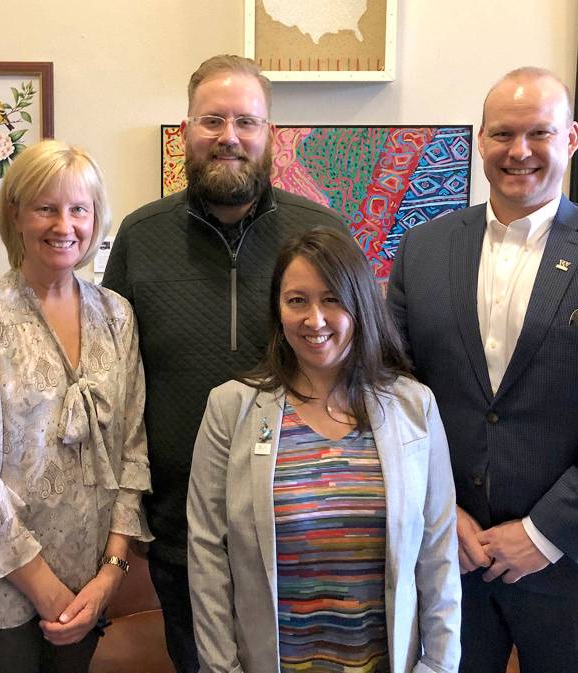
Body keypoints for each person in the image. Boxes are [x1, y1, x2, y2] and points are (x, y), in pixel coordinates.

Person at [387, 67, 578, 673]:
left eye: (539, 133)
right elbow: (394, 390)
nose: (518, 151)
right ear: (481, 139)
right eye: (502, 134)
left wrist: (544, 532)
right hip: (452, 556)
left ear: (570, 138)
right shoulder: (422, 249)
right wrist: (441, 512)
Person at [101, 54, 344, 672]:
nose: (228, 136)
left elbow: (355, 365)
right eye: (212, 120)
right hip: (181, 528)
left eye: (246, 121)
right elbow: (113, 379)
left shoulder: (320, 233)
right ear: (186, 130)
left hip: (299, 523)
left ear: (270, 134)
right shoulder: (140, 236)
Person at [188, 227, 461, 673]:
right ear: (278, 310)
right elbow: (207, 556)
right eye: (297, 300)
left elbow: (439, 552)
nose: (314, 320)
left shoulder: (414, 407)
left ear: (360, 305)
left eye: (332, 299)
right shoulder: (230, 408)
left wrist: (439, 666)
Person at [0, 139, 152, 673]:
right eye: (45, 208)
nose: (64, 225)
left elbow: (132, 450)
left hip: (89, 588)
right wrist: (47, 591)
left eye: (79, 209)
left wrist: (111, 574)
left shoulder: (117, 316)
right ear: (15, 215)